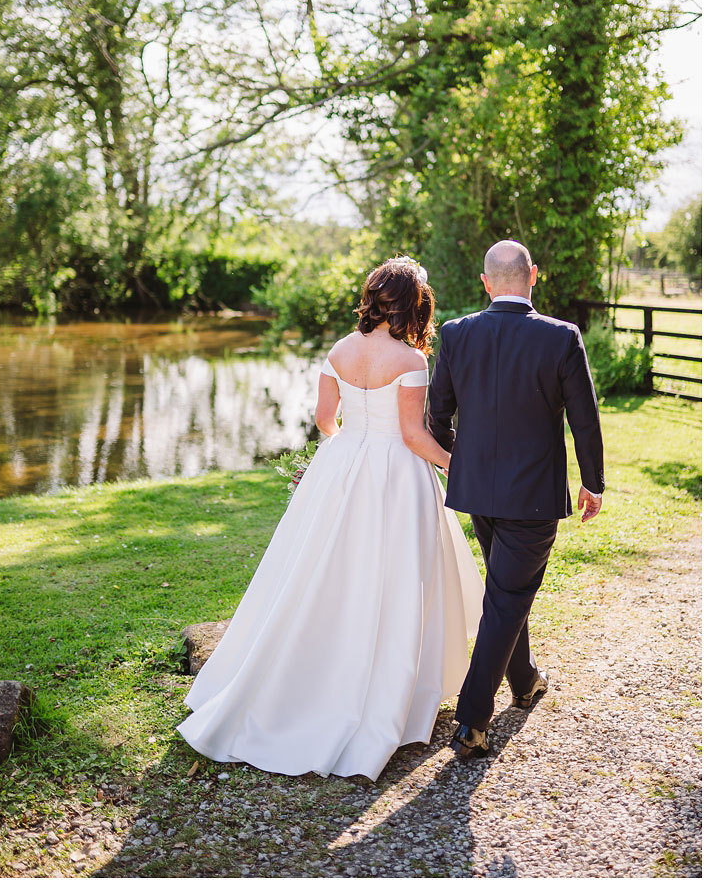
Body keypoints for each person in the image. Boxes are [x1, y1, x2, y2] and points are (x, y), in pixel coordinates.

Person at [177, 257, 485, 781]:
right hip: (397, 474)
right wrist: (459, 465)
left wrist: (347, 455)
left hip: (340, 467)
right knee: (391, 576)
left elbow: (325, 420)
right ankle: (381, 689)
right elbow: (413, 435)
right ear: (413, 302)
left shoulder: (340, 349)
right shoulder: (411, 360)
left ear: (373, 297)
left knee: (321, 570)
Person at [428, 240, 604, 759]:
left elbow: (437, 415)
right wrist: (592, 482)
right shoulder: (561, 337)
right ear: (532, 276)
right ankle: (472, 720)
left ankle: (524, 680)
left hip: (477, 491)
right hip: (531, 496)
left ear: (487, 283)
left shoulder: (457, 334)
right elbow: (584, 418)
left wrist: (461, 461)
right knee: (506, 596)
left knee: (507, 591)